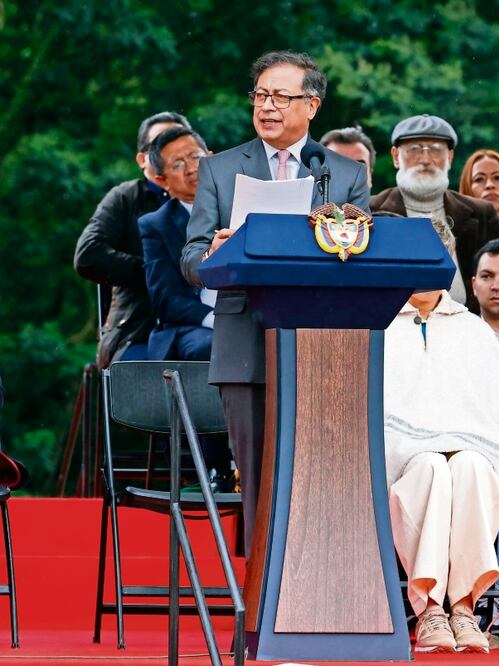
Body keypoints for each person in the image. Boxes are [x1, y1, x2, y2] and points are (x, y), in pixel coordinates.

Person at [181, 51, 369, 552]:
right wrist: (215, 255)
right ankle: (260, 602)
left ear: (311, 105)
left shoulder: (344, 175)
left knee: (320, 476)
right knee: (258, 475)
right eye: (260, 95)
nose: (267, 106)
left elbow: (363, 255)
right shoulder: (220, 170)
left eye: (280, 97)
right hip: (244, 342)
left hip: (322, 345)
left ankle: (317, 589)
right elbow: (191, 260)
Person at [384, 288, 499, 653]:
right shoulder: (380, 323)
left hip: (470, 447)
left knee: (472, 468)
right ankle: (429, 610)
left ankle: (462, 607)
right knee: (431, 470)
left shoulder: (473, 329)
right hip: (401, 454)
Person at [75, 111, 191, 368]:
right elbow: (88, 255)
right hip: (139, 331)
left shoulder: (210, 198)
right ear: (142, 159)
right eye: (160, 145)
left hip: (201, 327)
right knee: (145, 378)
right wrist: (156, 272)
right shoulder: (126, 198)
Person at [371, 115, 499, 311]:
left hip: (466, 327)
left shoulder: (481, 212)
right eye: (414, 149)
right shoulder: (370, 212)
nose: (425, 159)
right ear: (395, 156)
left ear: (450, 157)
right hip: (392, 327)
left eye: (435, 150)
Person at [139, 127, 214, 361]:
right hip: (196, 325)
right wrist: (216, 319)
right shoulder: (155, 225)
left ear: (211, 159)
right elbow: (167, 299)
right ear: (162, 181)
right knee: (218, 346)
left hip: (250, 316)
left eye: (196, 157)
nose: (192, 169)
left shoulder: (243, 205)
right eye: (178, 165)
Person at [458, 149, 499, 240]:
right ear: (467, 190)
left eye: (497, 177)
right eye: (479, 179)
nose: (490, 185)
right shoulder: (455, 245)